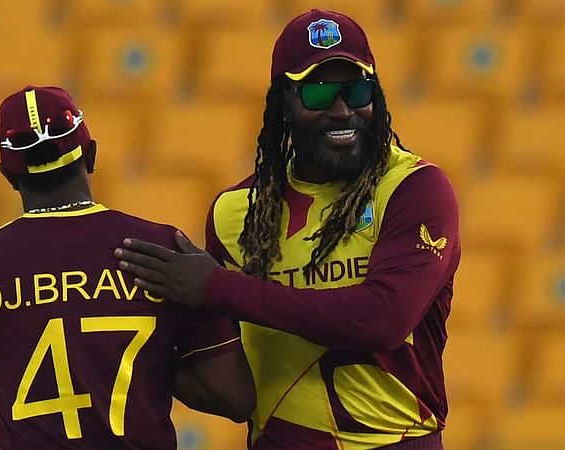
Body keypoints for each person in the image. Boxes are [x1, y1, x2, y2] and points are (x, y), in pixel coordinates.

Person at [115, 9, 460, 450]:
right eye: (318, 93)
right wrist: (135, 358)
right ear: (283, 104)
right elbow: (232, 387)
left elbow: (382, 320)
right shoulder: (236, 213)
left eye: (357, 90)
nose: (342, 110)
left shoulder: (414, 189)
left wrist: (219, 288)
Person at [0, 85, 255, 449]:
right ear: (91, 154)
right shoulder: (162, 252)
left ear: (7, 175)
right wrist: (153, 355)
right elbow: (235, 398)